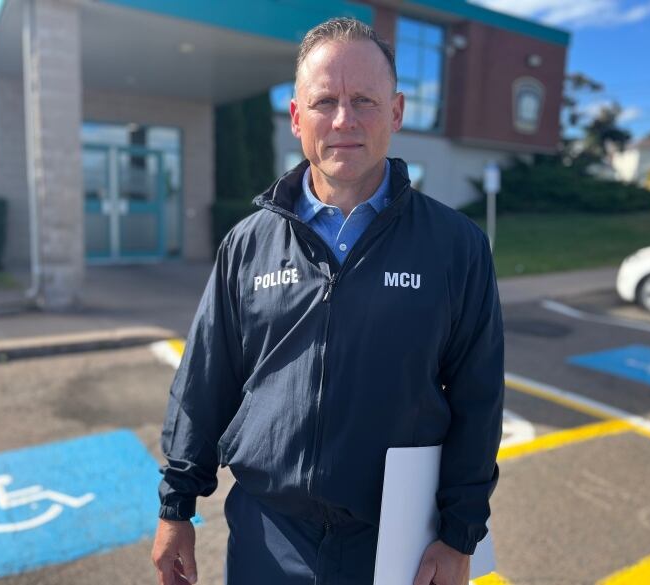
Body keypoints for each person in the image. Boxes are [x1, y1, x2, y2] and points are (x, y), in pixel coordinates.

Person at [151, 17, 504, 585]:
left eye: (364, 100)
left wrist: (460, 535)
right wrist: (176, 508)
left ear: (396, 112)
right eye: (325, 101)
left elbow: (478, 400)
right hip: (268, 535)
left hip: (397, 541)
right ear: (297, 117)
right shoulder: (248, 244)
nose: (344, 119)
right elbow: (203, 382)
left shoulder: (456, 247)